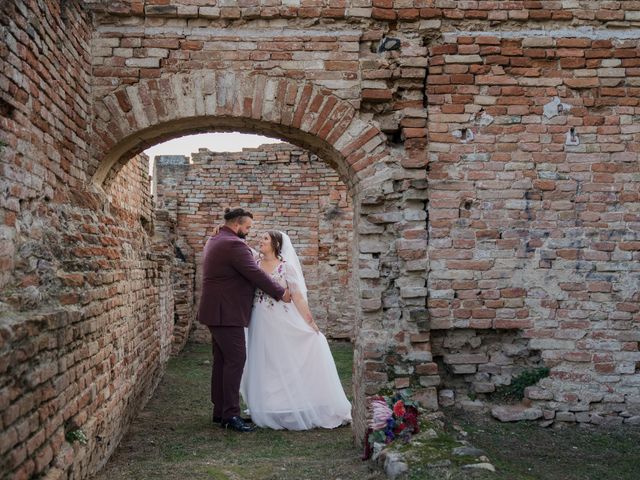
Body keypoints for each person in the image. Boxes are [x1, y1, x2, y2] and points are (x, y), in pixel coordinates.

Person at [240, 231, 352, 430]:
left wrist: (310, 323)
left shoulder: (286, 267)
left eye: (265, 239)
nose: (261, 241)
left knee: (282, 358)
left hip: (280, 320)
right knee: (263, 361)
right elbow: (240, 247)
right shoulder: (255, 263)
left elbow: (298, 297)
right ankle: (267, 404)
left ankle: (292, 402)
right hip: (258, 319)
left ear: (276, 244)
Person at [197, 208, 291, 433]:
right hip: (226, 312)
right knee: (235, 360)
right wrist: (280, 292)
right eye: (247, 228)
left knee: (222, 361)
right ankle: (230, 415)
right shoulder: (233, 244)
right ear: (237, 225)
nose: (248, 232)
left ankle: (220, 411)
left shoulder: (217, 238)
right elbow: (254, 273)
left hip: (217, 310)